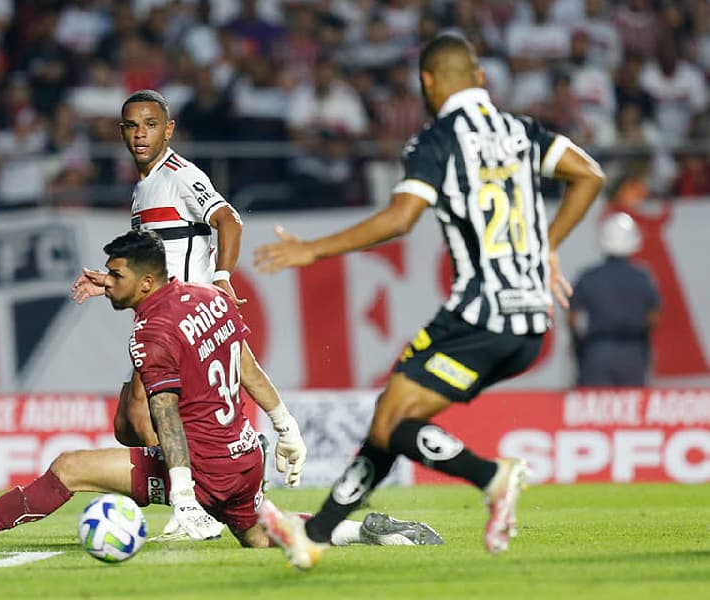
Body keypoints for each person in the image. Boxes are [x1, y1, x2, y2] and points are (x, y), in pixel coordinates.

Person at [253, 32, 605, 569]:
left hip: (478, 313)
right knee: (388, 422)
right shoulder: (522, 131)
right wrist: (545, 248)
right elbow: (589, 173)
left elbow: (399, 219)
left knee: (392, 422)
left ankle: (493, 477)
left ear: (427, 83)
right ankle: (315, 536)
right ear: (481, 78)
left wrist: (312, 250)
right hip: (531, 323)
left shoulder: (437, 141)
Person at [0, 231, 442, 553]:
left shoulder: (151, 333)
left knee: (71, 466)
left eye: (117, 275)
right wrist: (285, 425)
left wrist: (181, 492)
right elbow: (244, 363)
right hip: (246, 454)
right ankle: (366, 532)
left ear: (146, 282)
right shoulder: (205, 297)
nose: (110, 281)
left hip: (204, 467)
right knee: (257, 535)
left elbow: (166, 414)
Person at [69, 89, 302, 540]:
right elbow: (159, 258)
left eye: (151, 125)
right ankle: (228, 469)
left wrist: (222, 278)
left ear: (168, 129)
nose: (141, 134)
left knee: (142, 413)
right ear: (121, 132)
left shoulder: (179, 175)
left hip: (185, 317)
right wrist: (109, 280)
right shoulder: (144, 187)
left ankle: (190, 501)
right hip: (165, 313)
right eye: (133, 126)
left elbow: (229, 219)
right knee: (126, 424)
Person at [569, 212, 659, 386]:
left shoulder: (589, 277)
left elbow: (572, 318)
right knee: (631, 407)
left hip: (597, 350)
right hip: (633, 351)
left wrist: (581, 343)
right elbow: (653, 317)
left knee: (596, 407)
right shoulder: (642, 277)